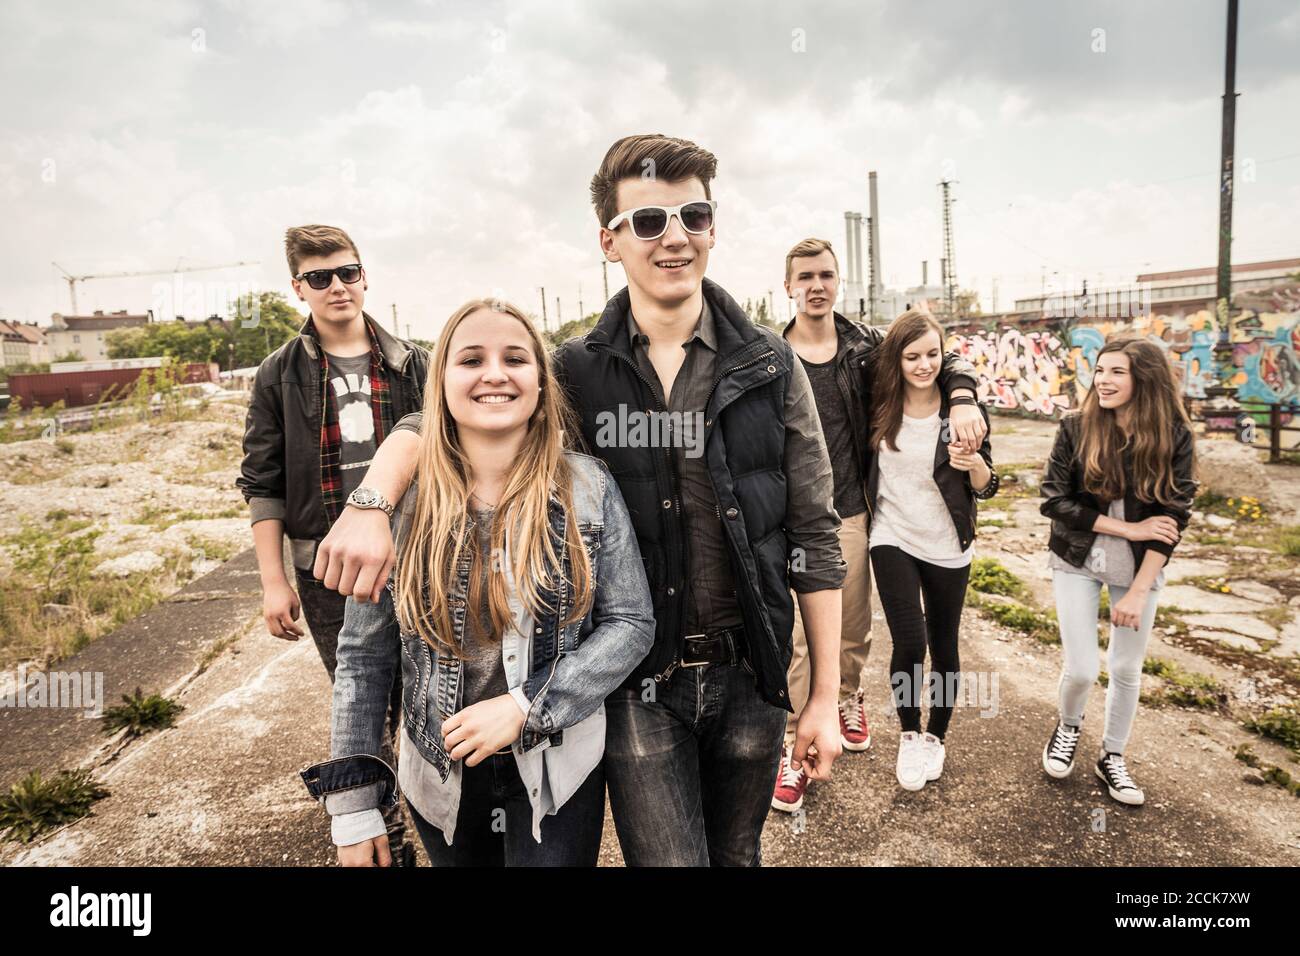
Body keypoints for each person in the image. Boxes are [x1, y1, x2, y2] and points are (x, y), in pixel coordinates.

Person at [316, 135, 989, 865]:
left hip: (751, 674)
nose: (674, 237)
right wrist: (375, 497)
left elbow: (815, 538)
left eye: (692, 216)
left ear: (712, 227)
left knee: (738, 858)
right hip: (637, 687)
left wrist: (822, 695)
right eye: (647, 221)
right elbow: (458, 411)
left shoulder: (772, 364)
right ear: (610, 240)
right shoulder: (577, 368)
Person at [300, 298, 654, 866]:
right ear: (440, 383)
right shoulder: (400, 504)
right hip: (442, 775)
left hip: (557, 763)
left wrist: (526, 705)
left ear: (541, 383)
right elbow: (363, 659)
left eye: (515, 358)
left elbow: (631, 624)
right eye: (471, 359)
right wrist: (353, 804)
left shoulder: (588, 486)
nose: (494, 373)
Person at [237, 224, 426, 863]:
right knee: (365, 707)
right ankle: (382, 841)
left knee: (430, 700)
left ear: (365, 275)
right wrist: (272, 581)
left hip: (417, 557)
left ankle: (450, 830)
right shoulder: (276, 375)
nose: (337, 286)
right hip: (326, 573)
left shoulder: (414, 363)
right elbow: (261, 482)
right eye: (320, 278)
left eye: (347, 272)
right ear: (299, 288)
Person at [772, 241, 982, 813]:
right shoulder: (767, 352)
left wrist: (962, 397)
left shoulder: (865, 347)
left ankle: (845, 697)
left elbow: (936, 353)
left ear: (838, 281)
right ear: (788, 285)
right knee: (797, 637)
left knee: (852, 626)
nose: (817, 285)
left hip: (852, 510)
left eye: (826, 274)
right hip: (789, 516)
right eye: (805, 277)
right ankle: (795, 750)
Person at [1039, 336, 1197, 806]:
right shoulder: (1075, 427)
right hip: (1077, 558)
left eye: (1116, 372)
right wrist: (1128, 529)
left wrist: (1138, 590)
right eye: (1100, 370)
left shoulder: (1174, 435)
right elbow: (1054, 501)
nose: (1102, 381)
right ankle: (1068, 727)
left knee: (1127, 668)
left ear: (1143, 380)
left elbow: (1173, 519)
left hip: (1139, 571)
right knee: (1084, 668)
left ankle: (1112, 757)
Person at [865, 310, 996, 792]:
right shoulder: (879, 401)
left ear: (945, 356)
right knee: (909, 642)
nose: (923, 365)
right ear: (896, 359)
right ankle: (908, 733)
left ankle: (935, 738)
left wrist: (974, 464)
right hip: (891, 534)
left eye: (932, 355)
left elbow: (988, 486)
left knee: (944, 644)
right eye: (912, 356)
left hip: (947, 544)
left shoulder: (962, 410)